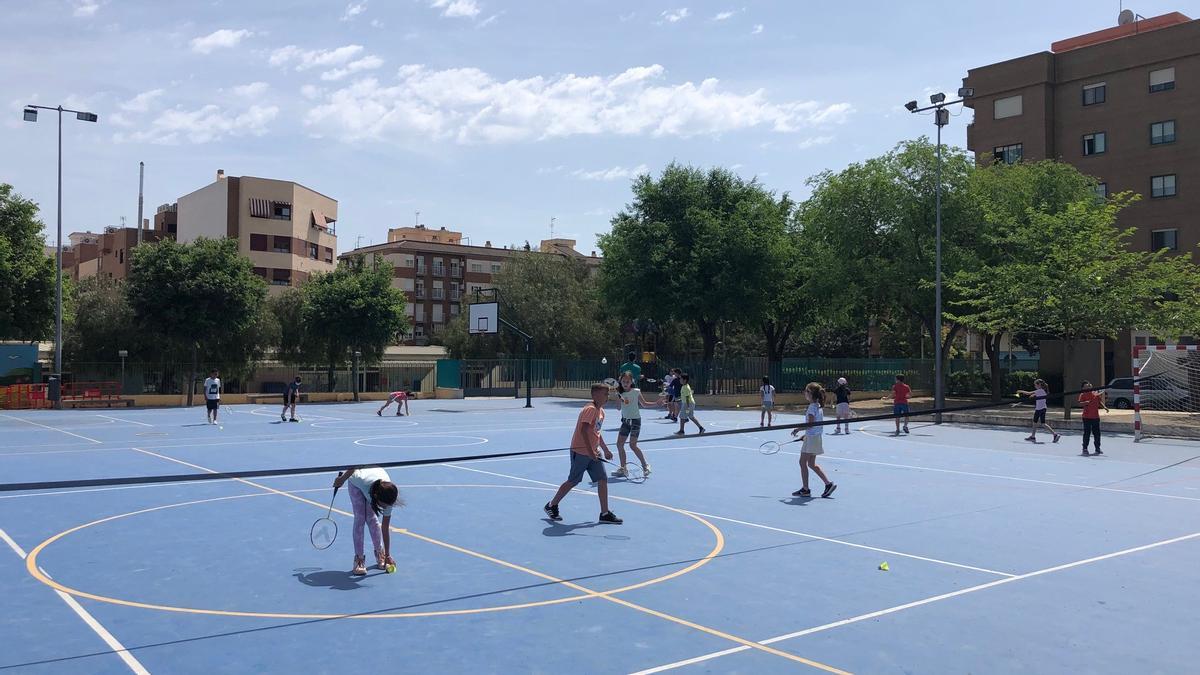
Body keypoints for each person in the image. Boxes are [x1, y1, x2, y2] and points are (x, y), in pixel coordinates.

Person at [543, 383, 622, 524]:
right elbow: (584, 430)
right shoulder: (590, 409)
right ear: (595, 395)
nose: (607, 396)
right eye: (605, 394)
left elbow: (596, 432)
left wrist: (604, 449)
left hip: (594, 452)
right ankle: (551, 505)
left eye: (608, 394)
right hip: (580, 452)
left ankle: (604, 513)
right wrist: (590, 451)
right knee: (573, 481)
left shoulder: (601, 411)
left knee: (602, 479)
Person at [333, 467, 403, 575]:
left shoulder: (389, 497)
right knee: (360, 519)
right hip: (356, 484)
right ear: (375, 497)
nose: (385, 508)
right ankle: (359, 559)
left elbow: (385, 527)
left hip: (376, 479)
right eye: (383, 505)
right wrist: (342, 479)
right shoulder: (361, 480)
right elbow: (354, 467)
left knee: (372, 519)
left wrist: (388, 555)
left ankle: (381, 554)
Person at [790, 382, 837, 498]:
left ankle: (806, 489)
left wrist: (798, 429)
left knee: (802, 462)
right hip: (815, 437)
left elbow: (810, 424)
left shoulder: (812, 407)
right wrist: (805, 435)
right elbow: (815, 425)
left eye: (806, 391)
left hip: (812, 438)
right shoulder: (818, 406)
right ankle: (828, 484)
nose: (804, 393)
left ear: (810, 394)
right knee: (811, 463)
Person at [612, 371, 661, 478]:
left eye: (627, 381)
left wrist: (656, 403)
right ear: (620, 382)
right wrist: (617, 398)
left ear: (631, 382)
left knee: (632, 445)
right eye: (623, 381)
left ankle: (645, 465)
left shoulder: (636, 392)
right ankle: (623, 468)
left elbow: (644, 404)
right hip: (625, 421)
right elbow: (618, 408)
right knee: (619, 444)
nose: (625, 383)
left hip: (635, 421)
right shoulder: (620, 393)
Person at [1016, 379, 1060, 443]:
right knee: (1042, 423)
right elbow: (1034, 394)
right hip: (1043, 408)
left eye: (1035, 385)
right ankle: (1055, 435)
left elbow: (1029, 393)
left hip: (1039, 409)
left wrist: (1020, 391)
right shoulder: (1042, 391)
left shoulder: (1039, 390)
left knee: (1035, 422)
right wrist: (1033, 395)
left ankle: (1033, 437)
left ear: (1039, 385)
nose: (1035, 386)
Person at [1078, 380, 1108, 456]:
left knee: (1097, 433)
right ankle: (1085, 448)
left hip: (1095, 417)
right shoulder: (1082, 394)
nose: (1088, 386)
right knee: (1087, 433)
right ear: (1083, 388)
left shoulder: (1095, 393)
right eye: (1086, 386)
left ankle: (1097, 448)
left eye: (1088, 385)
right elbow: (1079, 403)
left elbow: (1099, 401)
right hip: (1086, 417)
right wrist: (1085, 403)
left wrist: (1104, 407)